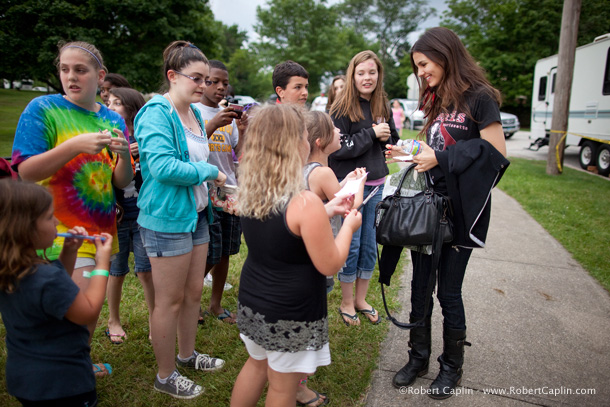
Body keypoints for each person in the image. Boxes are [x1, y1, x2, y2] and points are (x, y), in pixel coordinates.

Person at [383, 27, 509, 400]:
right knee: (420, 289)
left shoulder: (480, 98)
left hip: (460, 213)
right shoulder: (437, 99)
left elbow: (497, 154)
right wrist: (413, 154)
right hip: (427, 210)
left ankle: (451, 367)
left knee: (448, 293)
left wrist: (441, 157)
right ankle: (417, 357)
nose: (421, 72)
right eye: (417, 67)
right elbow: (435, 149)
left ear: (444, 54)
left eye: (424, 64)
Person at [11, 40, 133, 371]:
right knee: (78, 305)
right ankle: (67, 369)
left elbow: (120, 182)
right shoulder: (43, 109)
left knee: (88, 307)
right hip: (58, 229)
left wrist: (123, 155)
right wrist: (75, 146)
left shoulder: (112, 119)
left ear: (100, 75)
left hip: (102, 229)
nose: (71, 77)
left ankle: (77, 362)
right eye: (65, 69)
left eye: (80, 70)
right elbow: (25, 171)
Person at [230, 104, 362, 407]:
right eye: (304, 137)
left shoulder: (252, 189)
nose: (307, 143)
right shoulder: (303, 201)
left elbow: (284, 230)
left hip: (254, 299)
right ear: (291, 146)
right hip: (290, 310)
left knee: (256, 365)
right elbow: (330, 262)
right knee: (281, 388)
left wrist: (328, 209)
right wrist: (349, 226)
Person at [134, 40, 227, 399]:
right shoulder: (157, 112)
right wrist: (210, 172)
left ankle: (187, 356)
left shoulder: (194, 113)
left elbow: (196, 166)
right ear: (172, 76)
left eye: (206, 79)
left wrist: (216, 188)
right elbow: (162, 167)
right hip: (166, 219)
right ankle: (165, 374)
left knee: (191, 295)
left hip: (197, 214)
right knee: (168, 301)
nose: (203, 86)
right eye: (196, 78)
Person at [0, 179, 113, 406]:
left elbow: (52, 292)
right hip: (63, 384)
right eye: (50, 216)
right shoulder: (46, 279)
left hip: (26, 380)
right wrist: (101, 265)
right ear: (27, 229)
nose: (57, 221)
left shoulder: (14, 270)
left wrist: (69, 253)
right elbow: (88, 312)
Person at [329, 50, 400, 326]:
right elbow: (338, 150)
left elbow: (390, 139)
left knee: (370, 246)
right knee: (353, 245)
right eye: (361, 73)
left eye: (372, 72)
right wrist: (371, 134)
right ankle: (346, 302)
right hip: (351, 187)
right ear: (352, 75)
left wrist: (393, 144)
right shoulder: (341, 108)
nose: (367, 77)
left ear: (378, 74)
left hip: (377, 186)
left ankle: (361, 299)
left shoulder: (382, 105)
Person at [194, 59, 244, 324]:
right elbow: (192, 144)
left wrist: (243, 128)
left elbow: (237, 152)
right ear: (202, 82)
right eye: (215, 81)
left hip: (230, 191)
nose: (221, 87)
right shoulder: (193, 111)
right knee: (210, 251)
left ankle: (215, 305)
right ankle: (189, 303)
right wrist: (213, 122)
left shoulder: (228, 117)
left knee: (225, 250)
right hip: (205, 191)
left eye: (225, 83)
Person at [105, 87, 155, 343]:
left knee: (146, 271)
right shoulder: (105, 137)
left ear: (132, 108)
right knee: (117, 270)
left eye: (117, 103)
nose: (110, 106)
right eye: (108, 102)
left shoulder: (144, 137)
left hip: (143, 213)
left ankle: (154, 320)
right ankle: (113, 320)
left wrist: (140, 156)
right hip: (117, 215)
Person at [304, 111, 366, 294]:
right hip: (321, 245)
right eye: (333, 128)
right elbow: (351, 205)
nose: (338, 129)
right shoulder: (324, 173)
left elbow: (329, 195)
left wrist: (345, 180)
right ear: (320, 141)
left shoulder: (310, 169)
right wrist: (360, 183)